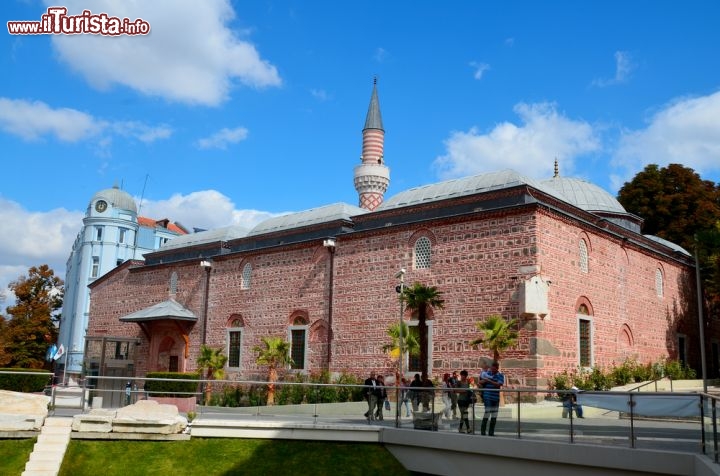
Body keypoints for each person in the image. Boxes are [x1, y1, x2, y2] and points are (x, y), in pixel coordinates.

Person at [479, 361, 504, 436]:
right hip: (487, 396)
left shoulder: (500, 375)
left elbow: (499, 384)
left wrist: (489, 380)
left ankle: (491, 432)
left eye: (493, 369)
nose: (492, 371)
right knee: (487, 412)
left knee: (494, 415)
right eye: (491, 369)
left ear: (497, 368)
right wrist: (484, 381)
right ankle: (483, 431)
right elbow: (480, 381)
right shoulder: (487, 373)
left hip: (495, 397)